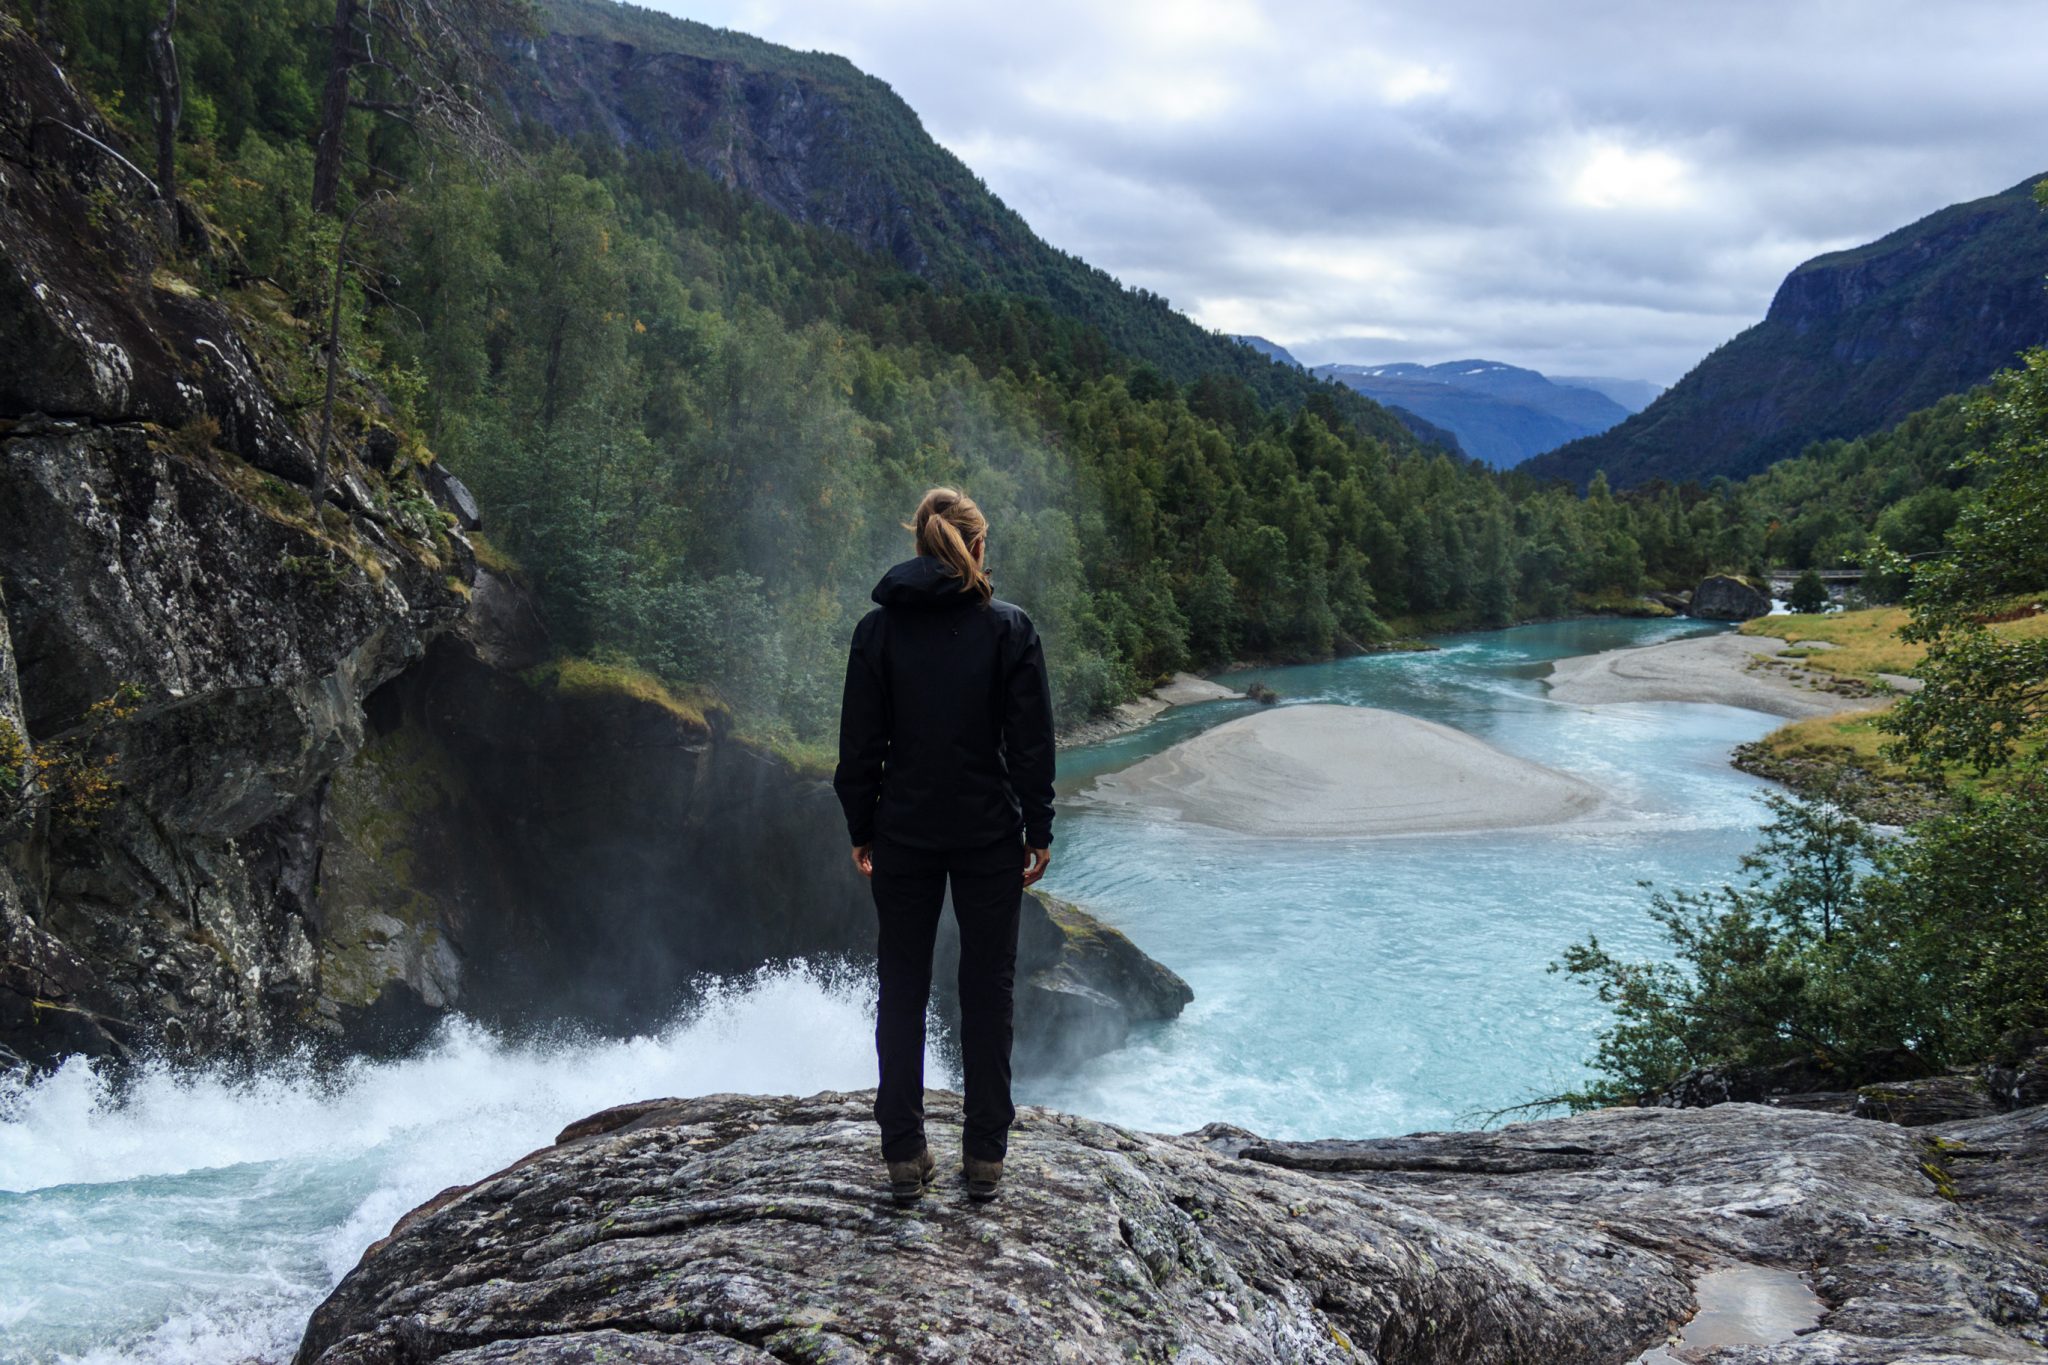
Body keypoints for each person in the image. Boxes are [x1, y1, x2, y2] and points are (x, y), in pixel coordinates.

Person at [833, 487, 1056, 1207]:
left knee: (901, 984)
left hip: (903, 830)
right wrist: (1038, 827)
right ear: (976, 547)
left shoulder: (878, 632)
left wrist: (861, 825)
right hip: (989, 832)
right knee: (986, 987)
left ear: (923, 545)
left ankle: (903, 1149)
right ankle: (984, 1154)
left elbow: (860, 745)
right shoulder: (1009, 630)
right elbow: (1031, 746)